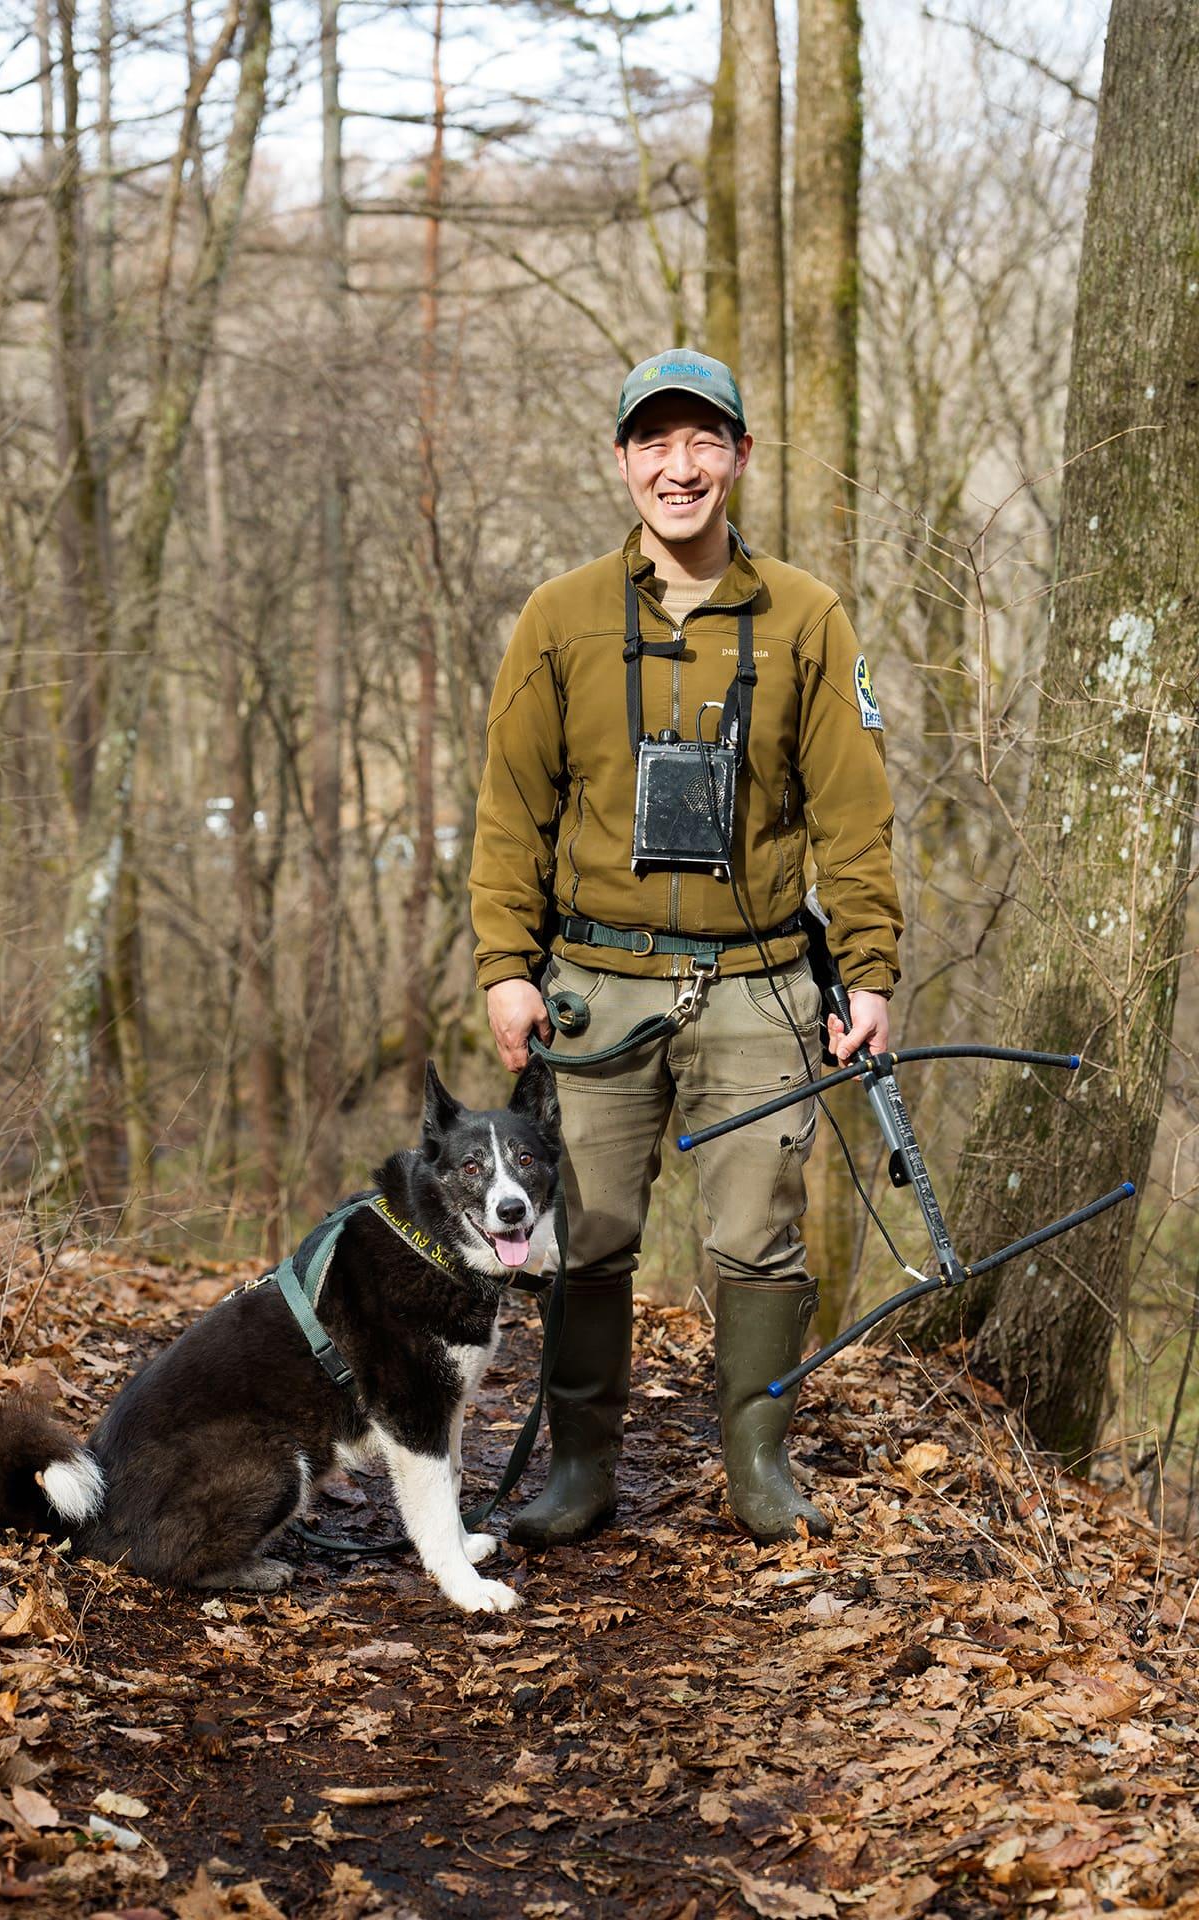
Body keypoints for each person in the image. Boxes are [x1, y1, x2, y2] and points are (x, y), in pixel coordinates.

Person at [468, 348, 902, 1548]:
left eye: (703, 440)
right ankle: (578, 1469)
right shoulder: (558, 618)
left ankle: (757, 1464)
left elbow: (851, 815)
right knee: (586, 1232)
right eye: (653, 443)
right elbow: (511, 814)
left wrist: (866, 972)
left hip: (758, 987)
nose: (679, 466)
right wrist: (506, 968)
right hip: (593, 987)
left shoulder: (807, 617)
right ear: (621, 462)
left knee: (756, 1235)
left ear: (740, 457)